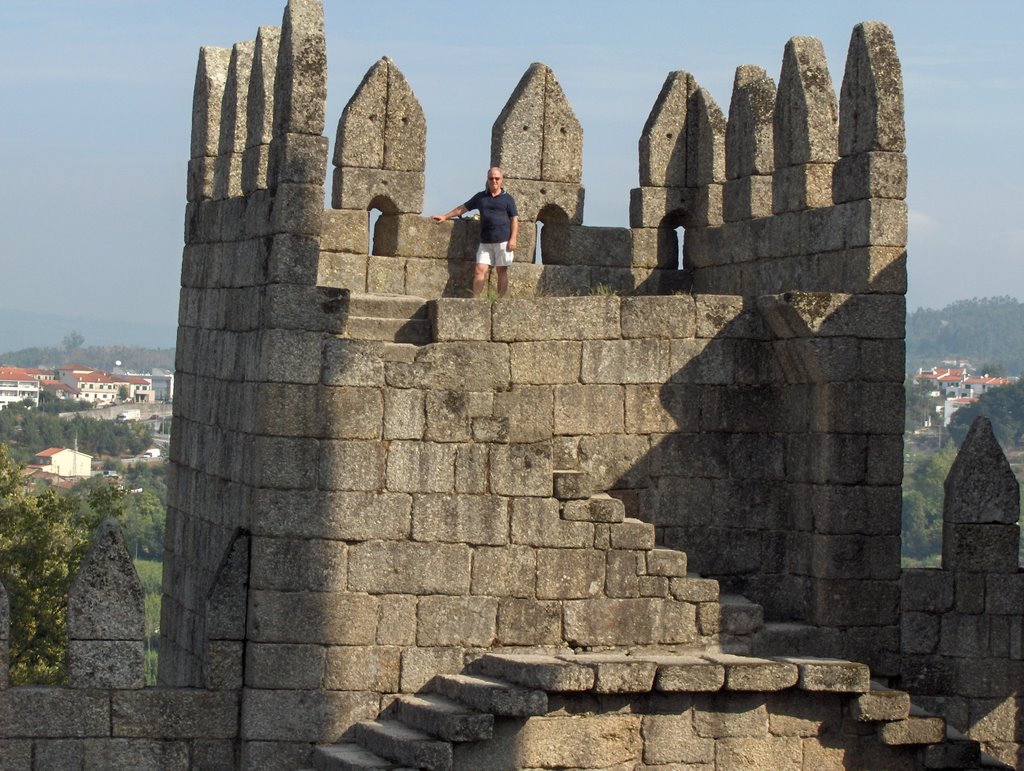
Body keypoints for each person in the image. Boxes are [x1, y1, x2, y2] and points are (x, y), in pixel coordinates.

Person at [432, 167, 519, 298]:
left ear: (502, 180)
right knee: (479, 270)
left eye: (497, 178)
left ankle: (500, 302)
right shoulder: (481, 197)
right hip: (486, 241)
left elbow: (514, 219)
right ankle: (475, 301)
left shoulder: (508, 199)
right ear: (487, 180)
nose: (494, 181)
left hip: (503, 240)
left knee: (501, 270)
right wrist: (445, 216)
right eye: (491, 178)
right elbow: (462, 208)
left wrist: (513, 239)